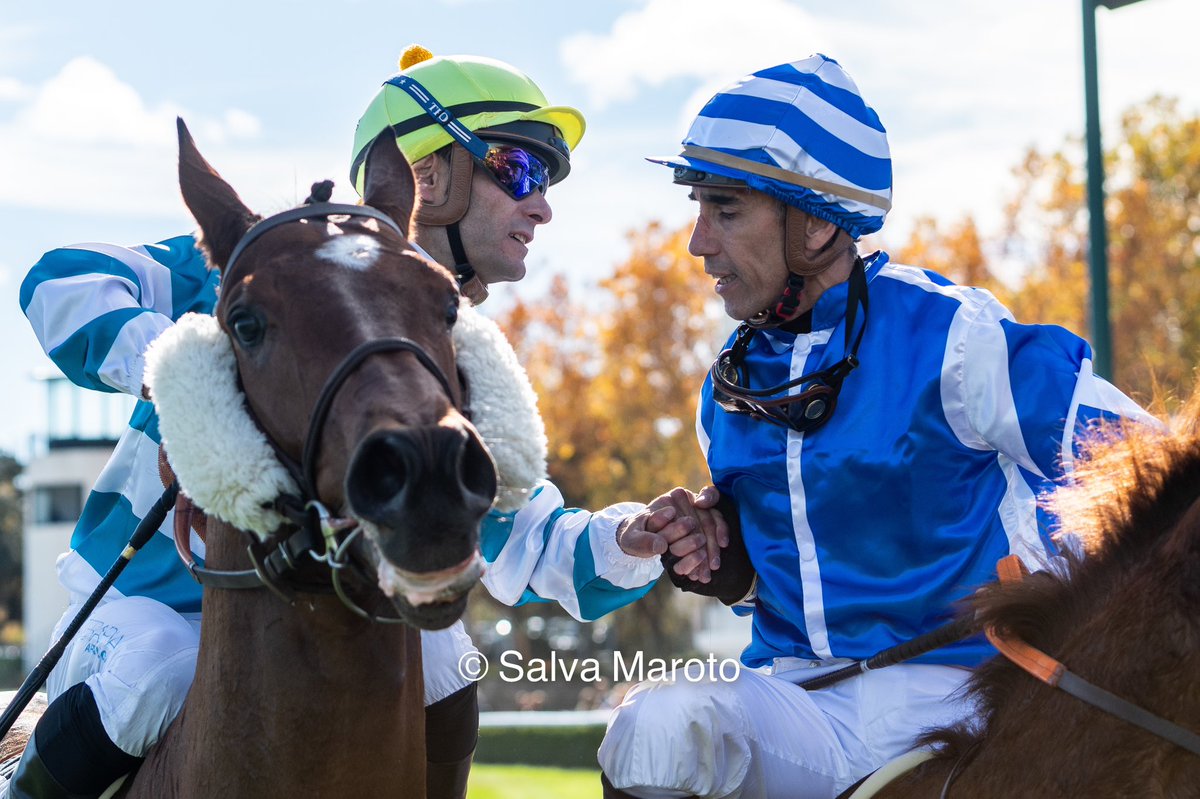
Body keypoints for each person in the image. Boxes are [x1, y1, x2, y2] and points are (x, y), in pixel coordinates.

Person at [12, 46, 720, 799]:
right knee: (153, 669)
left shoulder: (451, 367)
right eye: (521, 172)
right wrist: (183, 370)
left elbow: (530, 540)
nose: (542, 205)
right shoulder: (261, 268)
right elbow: (62, 278)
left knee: (444, 659)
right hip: (151, 610)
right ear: (428, 176)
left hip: (338, 621)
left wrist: (632, 536)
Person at [596, 54, 1157, 799]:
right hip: (796, 697)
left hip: (957, 696)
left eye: (725, 210)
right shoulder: (727, 387)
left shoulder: (957, 337)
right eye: (699, 207)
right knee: (654, 730)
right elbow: (776, 571)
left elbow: (1151, 466)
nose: (698, 242)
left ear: (819, 221)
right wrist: (718, 551)